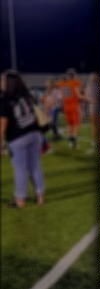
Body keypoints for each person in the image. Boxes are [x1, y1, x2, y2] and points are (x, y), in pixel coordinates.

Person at [0, 70, 46, 208]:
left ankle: (20, 200)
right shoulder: (27, 96)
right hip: (34, 134)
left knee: (20, 169)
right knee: (35, 166)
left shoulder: (6, 100)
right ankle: (40, 196)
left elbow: (3, 124)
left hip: (17, 137)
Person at [57, 68, 85, 149]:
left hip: (66, 106)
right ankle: (74, 143)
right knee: (75, 125)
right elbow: (78, 95)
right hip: (74, 106)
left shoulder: (62, 83)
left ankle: (70, 142)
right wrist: (87, 98)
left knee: (69, 125)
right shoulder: (74, 83)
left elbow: (60, 95)